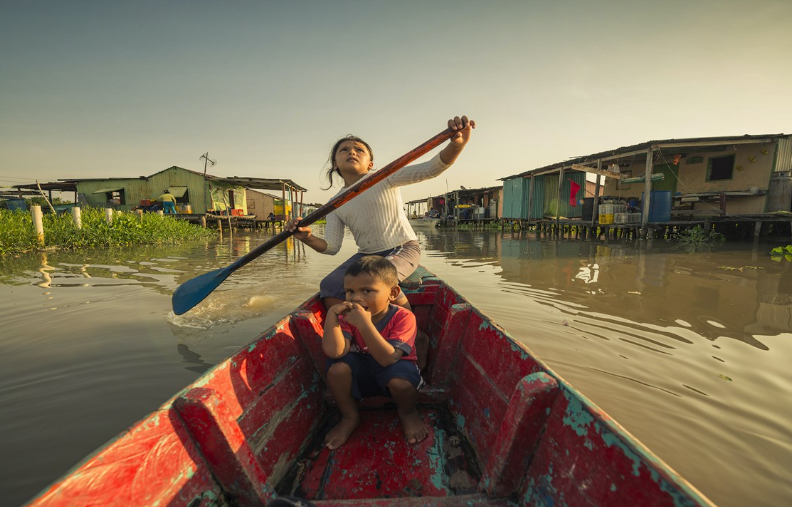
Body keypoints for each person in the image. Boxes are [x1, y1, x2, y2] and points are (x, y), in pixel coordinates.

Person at [286, 115, 475, 370]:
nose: (351, 152)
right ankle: (355, 334)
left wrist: (457, 144)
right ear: (335, 162)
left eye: (359, 150)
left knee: (377, 279)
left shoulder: (384, 177)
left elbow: (432, 168)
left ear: (370, 163)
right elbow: (331, 247)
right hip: (367, 255)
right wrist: (306, 237)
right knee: (329, 284)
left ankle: (414, 336)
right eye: (344, 150)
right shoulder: (335, 204)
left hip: (402, 247)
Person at [323, 256, 425, 449]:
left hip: (394, 368)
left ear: (392, 293)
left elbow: (388, 359)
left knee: (401, 383)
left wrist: (364, 324)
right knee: (336, 369)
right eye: (350, 291)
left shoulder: (404, 317)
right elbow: (335, 352)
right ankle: (349, 416)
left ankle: (408, 413)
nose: (356, 298)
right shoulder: (349, 316)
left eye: (367, 290)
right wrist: (332, 316)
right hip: (364, 370)